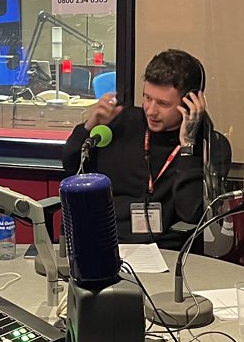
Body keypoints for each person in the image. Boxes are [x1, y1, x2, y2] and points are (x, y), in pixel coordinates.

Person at [62, 48, 209, 249]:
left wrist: (187, 145)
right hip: (105, 242)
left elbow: (191, 213)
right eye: (147, 98)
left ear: (189, 103)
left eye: (163, 103)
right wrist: (90, 125)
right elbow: (71, 166)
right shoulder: (122, 122)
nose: (151, 111)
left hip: (166, 252)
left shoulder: (206, 143)